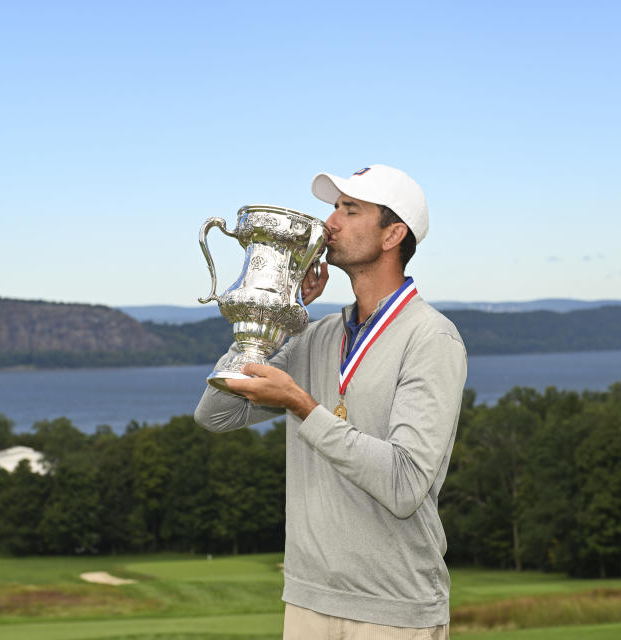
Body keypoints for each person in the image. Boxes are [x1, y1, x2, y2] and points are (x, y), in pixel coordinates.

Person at [194, 164, 467, 638]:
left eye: (349, 209)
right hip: (307, 602)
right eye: (333, 207)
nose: (329, 223)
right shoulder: (316, 334)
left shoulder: (431, 338)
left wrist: (302, 406)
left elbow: (404, 486)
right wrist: (276, 313)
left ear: (392, 235)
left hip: (394, 610)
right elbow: (217, 413)